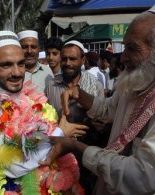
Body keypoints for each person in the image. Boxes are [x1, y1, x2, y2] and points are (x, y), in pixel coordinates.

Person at [41, 0, 155, 194]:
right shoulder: (139, 80)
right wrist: (79, 94)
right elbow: (108, 110)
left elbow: (143, 176)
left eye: (132, 48)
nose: (123, 58)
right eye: (124, 47)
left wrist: (77, 147)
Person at [0, 31, 87, 194]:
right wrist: (61, 132)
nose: (17, 72)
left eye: (21, 63)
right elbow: (17, 165)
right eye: (6, 65)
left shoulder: (35, 100)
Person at [46, 40, 105, 194]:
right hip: (60, 152)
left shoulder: (95, 85)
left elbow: (102, 120)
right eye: (64, 59)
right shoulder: (51, 85)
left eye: (72, 59)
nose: (67, 63)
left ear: (82, 60)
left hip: (86, 151)